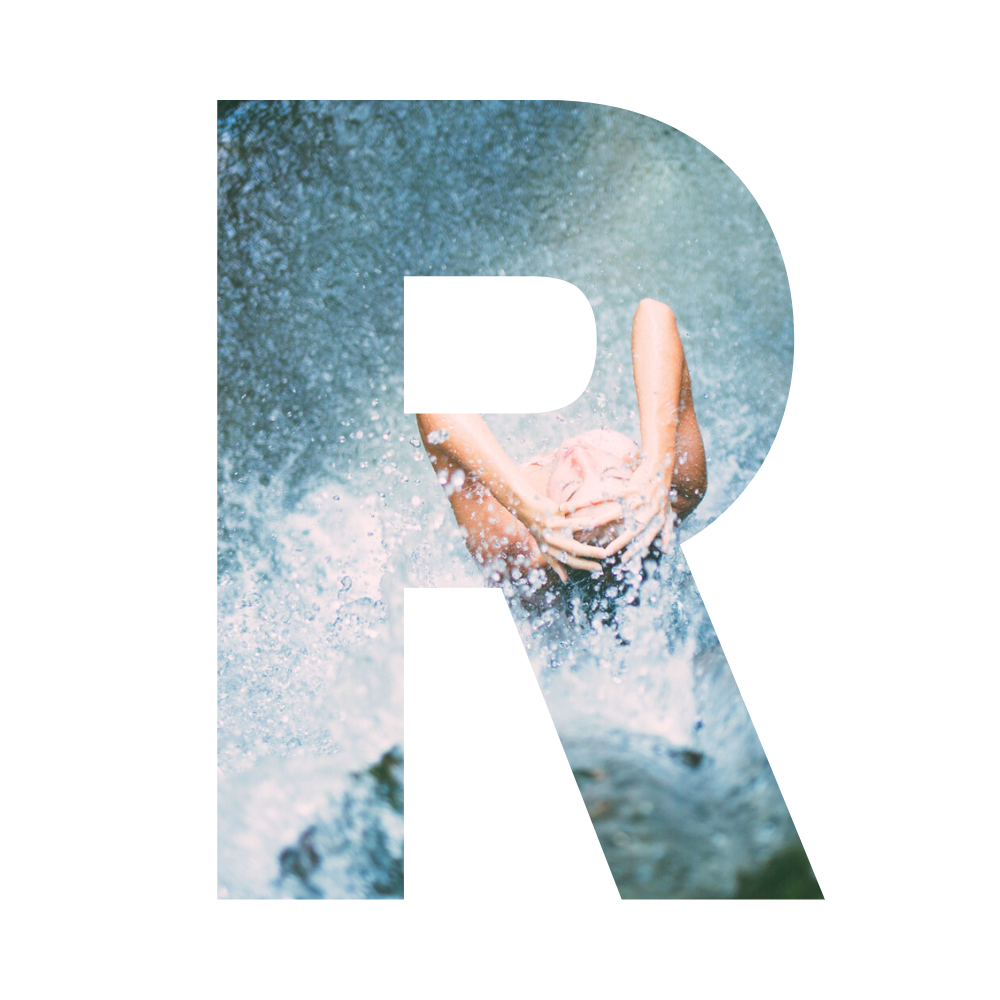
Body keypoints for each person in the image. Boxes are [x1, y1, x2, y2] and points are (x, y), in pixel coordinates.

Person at [416, 298, 707, 624]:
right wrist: (656, 463)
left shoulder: (514, 547)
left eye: (570, 488)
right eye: (611, 473)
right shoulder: (673, 494)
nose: (580, 457)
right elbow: (654, 312)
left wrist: (524, 505)